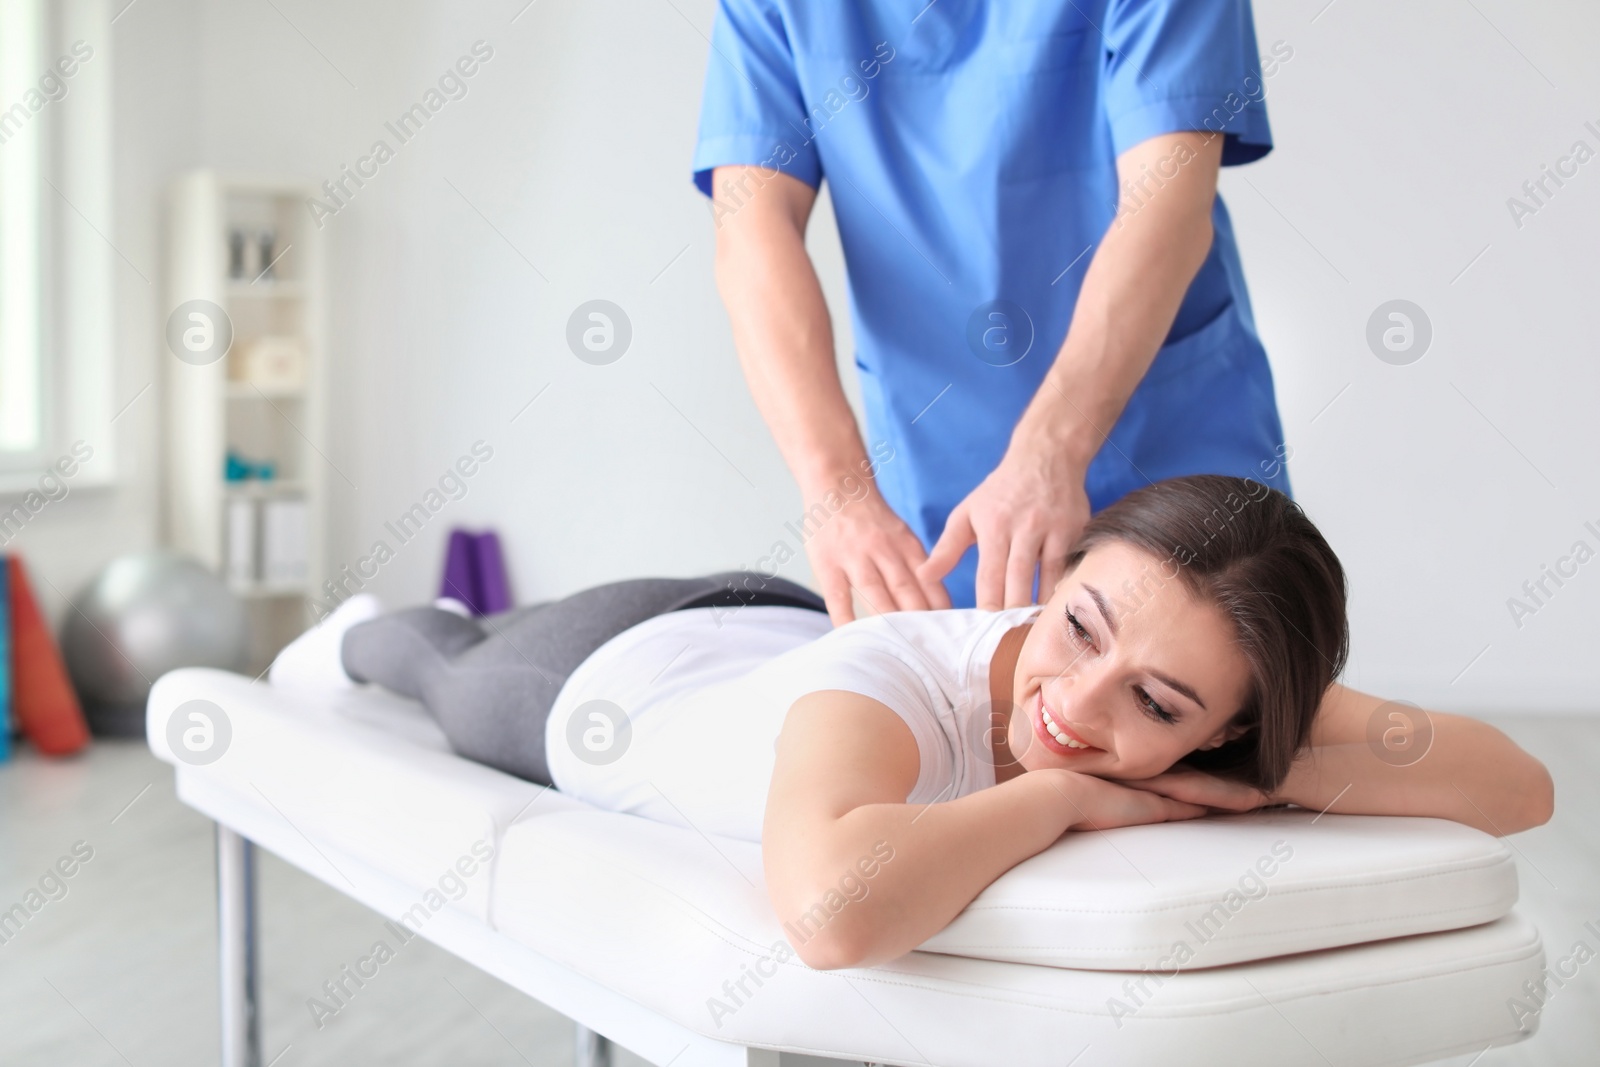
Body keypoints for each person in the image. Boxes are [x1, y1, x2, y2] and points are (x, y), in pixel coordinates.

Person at [268, 476, 1554, 971]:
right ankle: (372, 622)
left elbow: (1519, 787)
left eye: (1157, 703)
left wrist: (1277, 752)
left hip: (765, 643)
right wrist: (1065, 795)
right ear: (1059, 573)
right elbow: (832, 914)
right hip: (604, 678)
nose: (1077, 706)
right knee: (436, 659)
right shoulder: (901, 680)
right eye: (1080, 626)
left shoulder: (1213, 685)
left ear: (1221, 723)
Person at [696, 0, 1296, 623]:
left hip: (1170, 441)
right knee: (976, 707)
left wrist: (1051, 450)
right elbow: (750, 232)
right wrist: (836, 487)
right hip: (941, 481)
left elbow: (1168, 201)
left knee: (1230, 695)